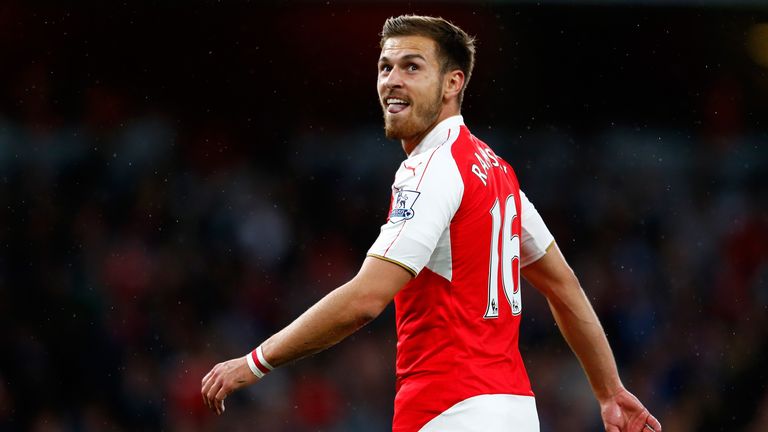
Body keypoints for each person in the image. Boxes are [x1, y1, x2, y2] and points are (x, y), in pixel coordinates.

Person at [201, 14, 662, 432]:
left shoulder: (433, 168)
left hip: (451, 410)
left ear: (452, 83)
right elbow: (564, 285)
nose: (392, 81)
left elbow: (365, 298)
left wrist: (256, 362)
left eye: (412, 67)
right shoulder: (496, 171)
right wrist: (608, 391)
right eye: (386, 67)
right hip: (513, 411)